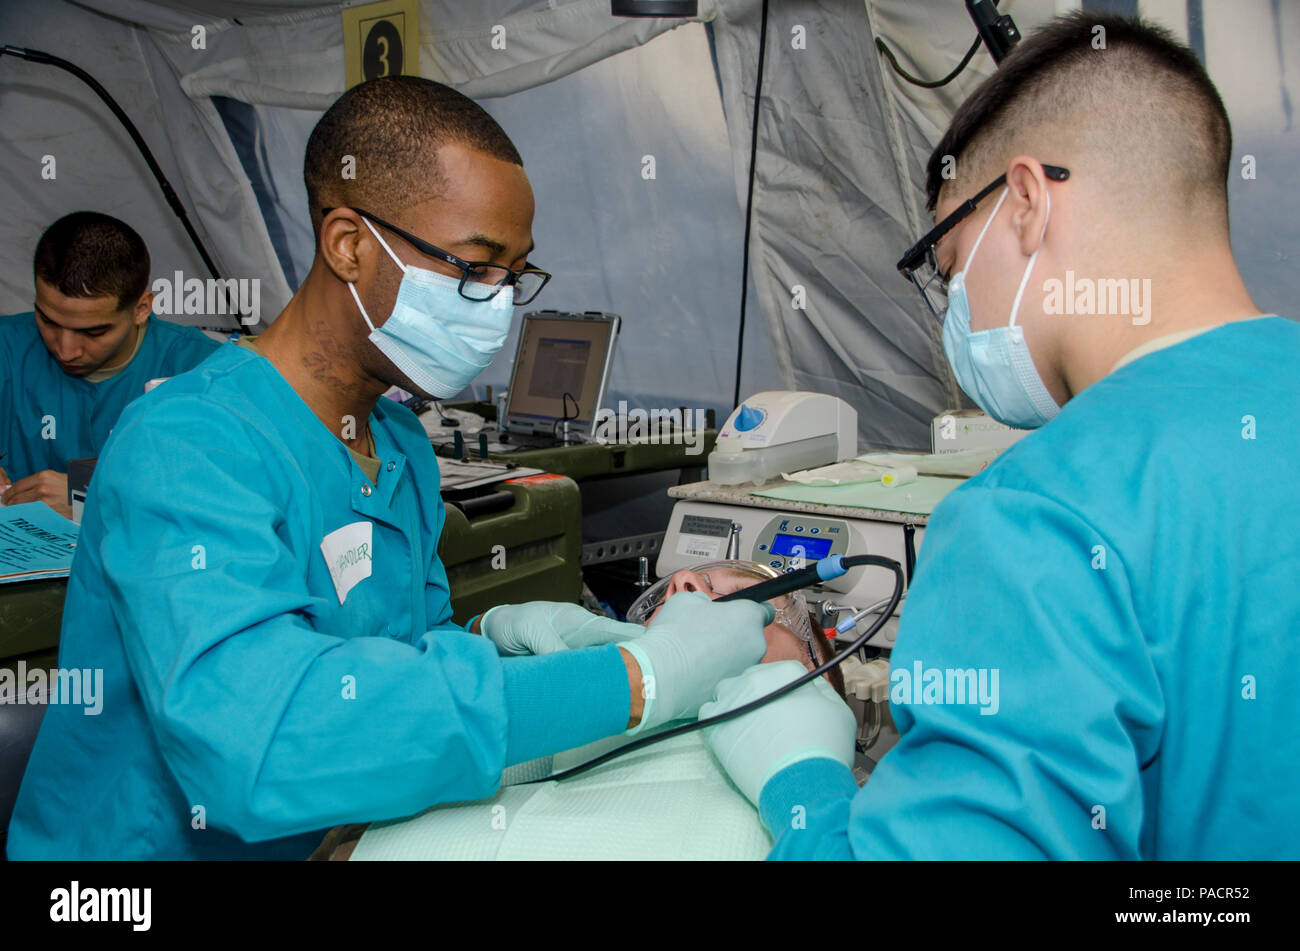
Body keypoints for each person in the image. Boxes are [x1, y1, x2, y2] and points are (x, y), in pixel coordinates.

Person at [6, 76, 767, 860]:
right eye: (474, 268)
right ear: (348, 243)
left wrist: (499, 639)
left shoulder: (396, 444)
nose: (499, 306)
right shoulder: (186, 448)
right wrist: (636, 679)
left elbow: (393, 656)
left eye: (515, 274)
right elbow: (264, 743)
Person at [703, 12, 1300, 859]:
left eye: (947, 268)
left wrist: (800, 765)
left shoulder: (1038, 516)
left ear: (1024, 202)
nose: (956, 312)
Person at [324, 561, 853, 861]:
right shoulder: (590, 700)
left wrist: (807, 785)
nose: (684, 581)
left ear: (821, 671)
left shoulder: (804, 751)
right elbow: (382, 732)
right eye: (681, 587)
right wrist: (477, 641)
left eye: (744, 597)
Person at [0, 212, 220, 516]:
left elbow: (222, 498)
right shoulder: (7, 346)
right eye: (48, 321)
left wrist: (91, 500)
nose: (66, 350)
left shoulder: (202, 370)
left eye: (93, 332)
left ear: (141, 308)